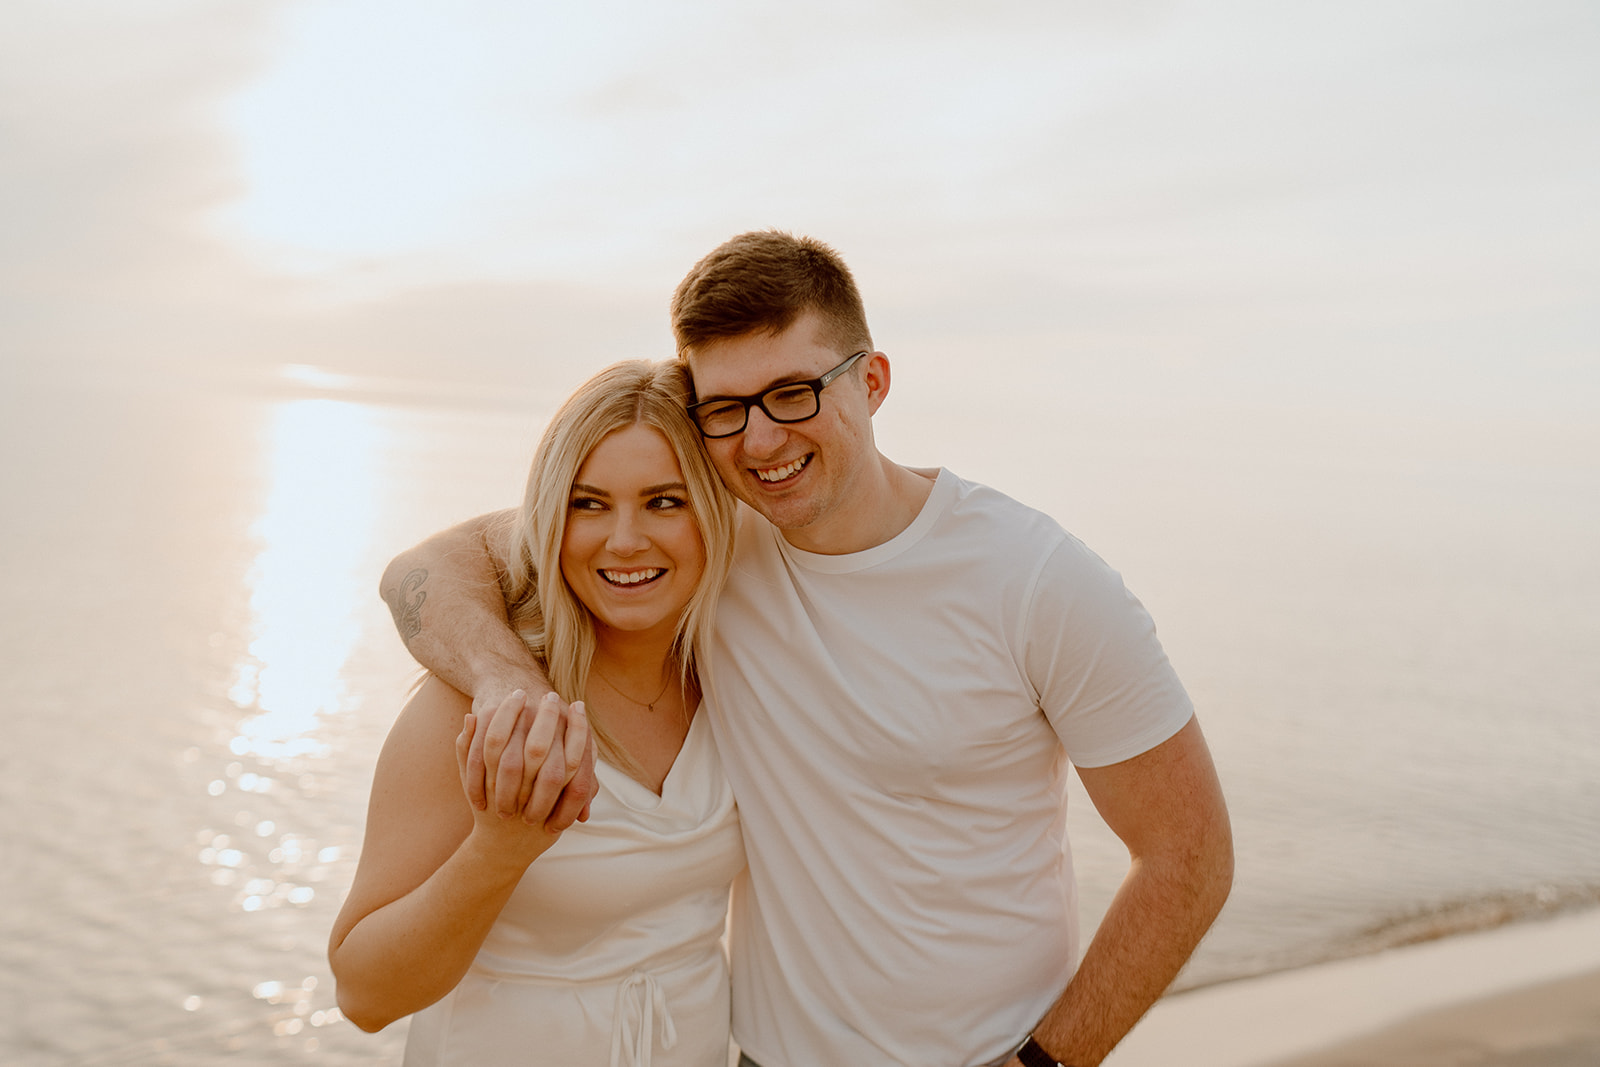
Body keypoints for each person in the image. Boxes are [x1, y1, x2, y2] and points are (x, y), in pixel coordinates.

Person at [381, 231, 1234, 1067]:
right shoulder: (708, 539)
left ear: (873, 380)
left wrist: (1044, 1063)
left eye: (794, 392)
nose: (761, 441)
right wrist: (505, 681)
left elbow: (1189, 858)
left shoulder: (1037, 580)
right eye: (726, 409)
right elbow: (428, 568)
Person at [331, 359, 745, 1067]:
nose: (624, 539)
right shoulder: (475, 707)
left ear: (713, 508)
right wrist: (499, 849)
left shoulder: (739, 675)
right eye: (589, 504)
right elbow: (364, 994)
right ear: (551, 518)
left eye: (664, 501)